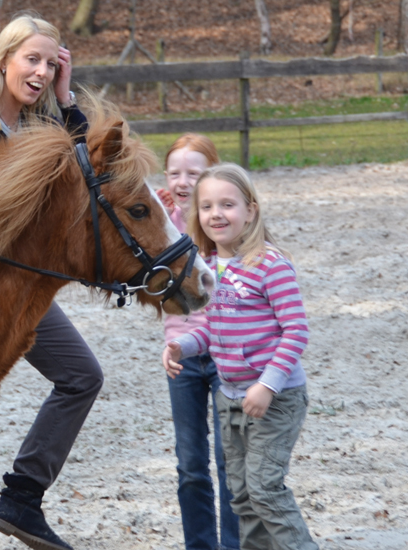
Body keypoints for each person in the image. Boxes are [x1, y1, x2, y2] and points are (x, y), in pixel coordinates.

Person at [0, 13, 99, 550]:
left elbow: (90, 173)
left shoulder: (38, 128)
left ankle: (22, 498)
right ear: (4, 58)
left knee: (81, 375)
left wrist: (66, 93)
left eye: (49, 63)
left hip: (23, 292)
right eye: (31, 59)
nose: (39, 71)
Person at [163, 164, 317, 550]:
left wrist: (267, 385)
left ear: (250, 210)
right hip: (230, 399)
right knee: (243, 497)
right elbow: (215, 331)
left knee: (265, 489)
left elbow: (296, 331)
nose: (216, 213)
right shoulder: (210, 266)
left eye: (227, 205)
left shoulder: (270, 264)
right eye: (207, 206)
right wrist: (184, 345)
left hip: (274, 399)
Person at [156, 135, 241, 550]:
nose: (183, 181)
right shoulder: (162, 227)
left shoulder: (222, 224)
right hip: (183, 357)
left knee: (230, 462)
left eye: (194, 172)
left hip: (228, 355)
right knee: (190, 463)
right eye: (175, 172)